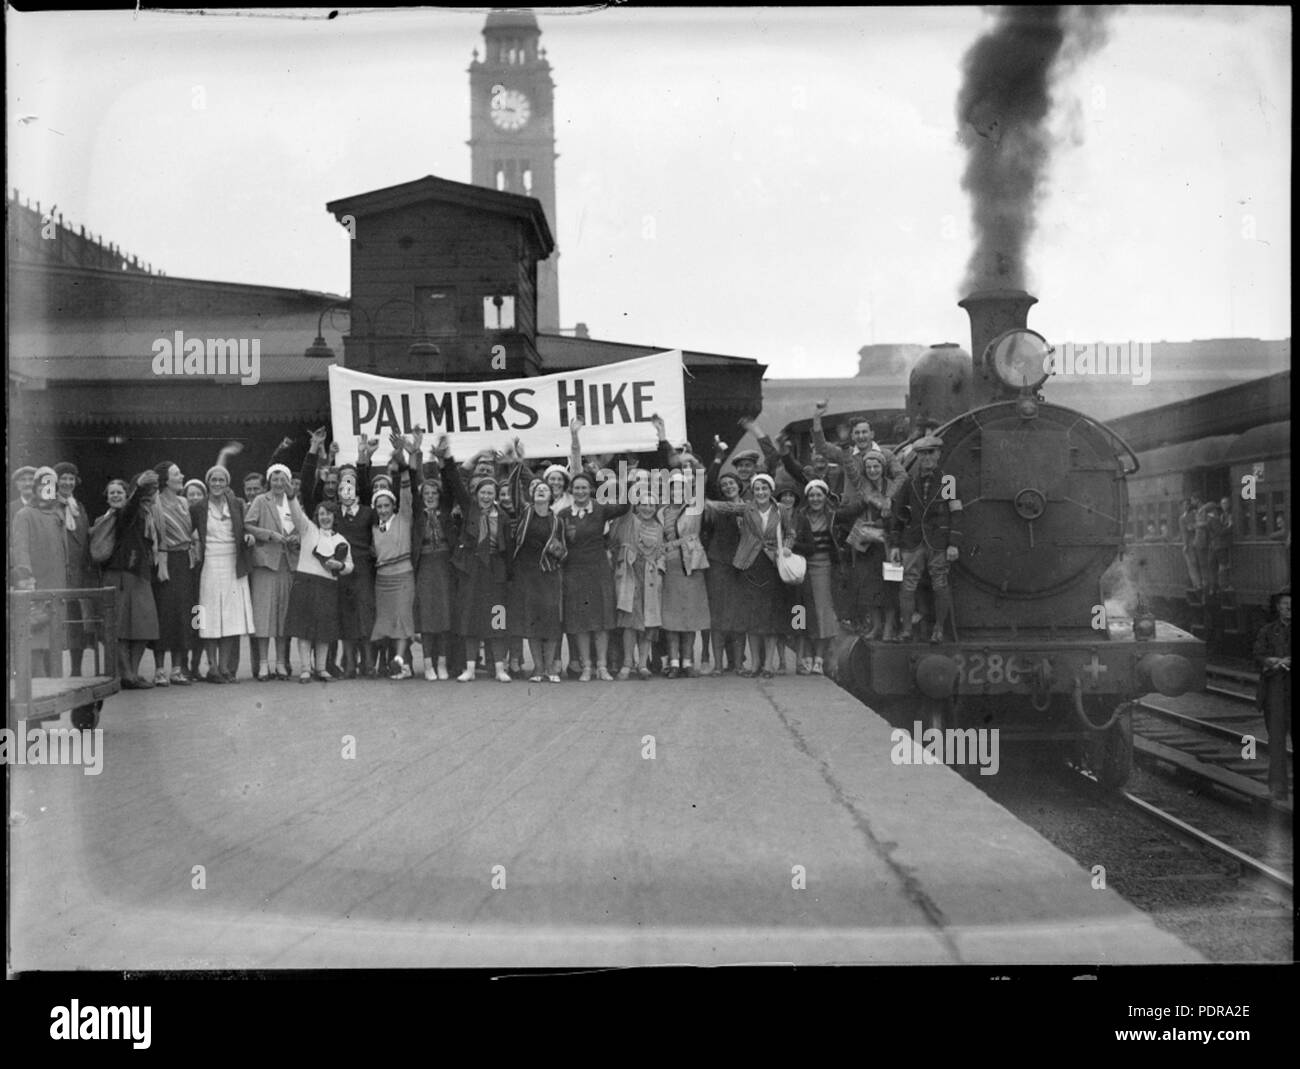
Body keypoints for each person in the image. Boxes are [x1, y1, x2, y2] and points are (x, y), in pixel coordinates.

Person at [439, 440, 514, 683]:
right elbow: (455, 481)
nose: (486, 496)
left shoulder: (502, 516)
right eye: (482, 492)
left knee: (497, 619)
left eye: (490, 493)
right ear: (477, 494)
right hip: (471, 571)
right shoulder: (470, 508)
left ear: (495, 495)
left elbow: (509, 549)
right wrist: (449, 457)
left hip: (495, 573)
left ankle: (500, 668)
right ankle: (469, 669)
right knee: (470, 619)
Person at [556, 453, 628, 681]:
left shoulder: (600, 509)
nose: (580, 492)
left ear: (590, 489)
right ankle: (587, 666)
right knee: (581, 621)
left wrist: (603, 478)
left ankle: (603, 666)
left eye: (584, 488)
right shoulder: (563, 515)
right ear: (571, 490)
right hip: (574, 571)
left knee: (601, 621)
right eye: (576, 488)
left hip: (598, 569)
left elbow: (625, 505)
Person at [887, 435, 961, 644]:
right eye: (922, 453)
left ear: (939, 454)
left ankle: (938, 629)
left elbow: (956, 512)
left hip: (938, 542)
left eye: (931, 452)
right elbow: (898, 514)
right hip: (913, 541)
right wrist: (894, 544)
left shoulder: (948, 482)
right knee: (907, 585)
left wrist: (954, 543)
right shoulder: (910, 483)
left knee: (940, 583)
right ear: (917, 456)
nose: (927, 457)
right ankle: (907, 629)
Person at [191, 460, 256, 682]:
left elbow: (245, 527)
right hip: (209, 563)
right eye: (213, 480)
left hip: (233, 564)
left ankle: (227, 668)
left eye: (221, 480)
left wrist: (248, 537)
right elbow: (189, 532)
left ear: (227, 483)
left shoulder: (236, 503)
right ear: (208, 483)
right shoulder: (198, 507)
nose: (217, 483)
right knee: (207, 616)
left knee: (231, 617)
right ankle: (212, 667)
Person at [791, 478, 861, 674]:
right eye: (811, 495)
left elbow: (853, 512)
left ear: (825, 497)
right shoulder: (800, 516)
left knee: (823, 615)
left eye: (819, 495)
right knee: (802, 614)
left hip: (824, 568)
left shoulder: (832, 516)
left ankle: (819, 659)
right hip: (801, 567)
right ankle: (804, 656)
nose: (815, 499)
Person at [370, 432, 425, 680]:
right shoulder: (373, 528)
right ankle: (397, 661)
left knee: (403, 620)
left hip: (403, 576)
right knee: (387, 621)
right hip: (383, 580)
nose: (383, 510)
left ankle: (401, 661)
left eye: (386, 505)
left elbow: (406, 489)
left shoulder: (403, 517)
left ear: (393, 506)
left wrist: (401, 457)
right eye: (379, 506)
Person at [731, 473, 797, 679]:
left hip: (772, 564)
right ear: (752, 491)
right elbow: (722, 507)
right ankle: (754, 665)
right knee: (752, 618)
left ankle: (768, 665)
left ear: (770, 490)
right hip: (750, 563)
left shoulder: (782, 510)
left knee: (770, 618)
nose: (761, 492)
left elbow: (790, 533)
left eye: (764, 489)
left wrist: (786, 548)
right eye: (757, 489)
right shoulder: (746, 508)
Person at [99, 473, 162, 687]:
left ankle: (132, 673)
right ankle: (127, 674)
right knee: (121, 629)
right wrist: (138, 489)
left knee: (145, 627)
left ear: (125, 495)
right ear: (107, 497)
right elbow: (132, 506)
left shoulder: (144, 515)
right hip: (120, 575)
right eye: (112, 493)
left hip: (139, 575)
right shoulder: (119, 515)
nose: (115, 496)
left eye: (119, 492)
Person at [284, 494, 354, 683]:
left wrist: (339, 567)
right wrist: (291, 496)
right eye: (321, 514)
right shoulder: (308, 530)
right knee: (304, 630)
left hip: (327, 587)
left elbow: (349, 565)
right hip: (305, 583)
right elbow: (297, 513)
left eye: (329, 514)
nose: (325, 517)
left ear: (334, 517)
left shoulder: (341, 539)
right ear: (316, 516)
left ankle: (322, 669)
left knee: (324, 631)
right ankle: (306, 669)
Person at [10, 467, 70, 679]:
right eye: (42, 485)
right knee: (35, 643)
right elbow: (21, 550)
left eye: (51, 486)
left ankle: (52, 698)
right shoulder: (24, 515)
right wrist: (27, 581)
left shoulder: (57, 515)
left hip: (57, 590)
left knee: (54, 645)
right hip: (37, 590)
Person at [244, 462, 301, 680]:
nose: (279, 484)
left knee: (282, 615)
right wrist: (269, 534)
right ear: (269, 481)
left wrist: (297, 537)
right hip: (267, 564)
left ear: (288, 481)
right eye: (275, 480)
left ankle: (280, 663)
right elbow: (248, 525)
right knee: (264, 615)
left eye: (283, 480)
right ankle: (263, 664)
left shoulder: (294, 502)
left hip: (287, 564)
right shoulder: (261, 500)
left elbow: (303, 526)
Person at [509, 478, 568, 683]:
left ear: (551, 496)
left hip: (549, 574)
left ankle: (551, 667)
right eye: (537, 489)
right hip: (527, 574)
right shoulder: (525, 513)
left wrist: (557, 551)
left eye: (545, 489)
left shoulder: (557, 521)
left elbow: (564, 550)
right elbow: (513, 488)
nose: (541, 491)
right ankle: (538, 668)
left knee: (551, 620)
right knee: (532, 619)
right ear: (532, 495)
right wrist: (516, 462)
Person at [149, 460, 199, 686]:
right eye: (177, 474)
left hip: (184, 562)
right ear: (165, 480)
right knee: (163, 614)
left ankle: (177, 669)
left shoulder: (183, 502)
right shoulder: (154, 503)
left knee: (182, 614)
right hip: (163, 561)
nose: (181, 477)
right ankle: (160, 670)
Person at [609, 486, 667, 680]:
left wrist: (659, 572)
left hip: (650, 578)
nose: (647, 508)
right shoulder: (628, 521)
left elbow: (661, 553)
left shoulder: (659, 527)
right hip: (630, 575)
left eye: (651, 504)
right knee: (629, 622)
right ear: (636, 504)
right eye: (643, 503)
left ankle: (642, 663)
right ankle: (627, 663)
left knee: (648, 624)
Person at [844, 450, 897, 640]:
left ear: (883, 468)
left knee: (889, 588)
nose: (873, 470)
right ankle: (876, 626)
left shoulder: (892, 488)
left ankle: (889, 628)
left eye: (876, 466)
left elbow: (899, 516)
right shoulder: (861, 489)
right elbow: (849, 510)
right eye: (869, 467)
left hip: (888, 544)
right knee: (870, 589)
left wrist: (886, 520)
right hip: (867, 545)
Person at [413, 462, 455, 681]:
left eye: (434, 493)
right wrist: (411, 460)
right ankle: (428, 663)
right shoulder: (417, 516)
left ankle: (442, 663)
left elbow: (452, 485)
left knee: (445, 618)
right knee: (427, 620)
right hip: (425, 569)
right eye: (426, 493)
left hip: (445, 569)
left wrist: (444, 463)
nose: (430, 496)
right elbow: (410, 485)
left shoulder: (446, 514)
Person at [703, 470, 748, 673]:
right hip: (719, 563)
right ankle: (719, 664)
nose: (728, 487)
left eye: (731, 483)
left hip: (742, 564)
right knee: (719, 615)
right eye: (724, 485)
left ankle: (737, 663)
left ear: (739, 484)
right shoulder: (715, 510)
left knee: (739, 614)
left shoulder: (750, 506)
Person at [53, 461, 93, 678]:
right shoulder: (50, 505)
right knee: (55, 621)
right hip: (57, 572)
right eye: (63, 478)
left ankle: (76, 669)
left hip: (77, 574)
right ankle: (53, 671)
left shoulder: (79, 507)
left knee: (76, 621)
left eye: (71, 478)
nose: (67, 482)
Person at [1253, 588, 1291, 800]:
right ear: (1278, 607)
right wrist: (1275, 662)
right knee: (1276, 741)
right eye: (1285, 605)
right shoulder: (1267, 631)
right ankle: (1278, 788)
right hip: (1274, 692)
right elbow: (1258, 655)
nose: (1289, 609)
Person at [1210, 496, 1234, 592]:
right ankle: (1223, 585)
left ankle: (1222, 585)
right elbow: (1222, 530)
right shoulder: (1219, 517)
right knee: (1223, 565)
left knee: (1225, 565)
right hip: (1221, 544)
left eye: (1226, 503)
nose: (1224, 505)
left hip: (1226, 543)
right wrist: (1229, 526)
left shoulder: (1231, 514)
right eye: (1222, 503)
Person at [1179, 497, 1202, 591]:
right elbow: (1183, 532)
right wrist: (1185, 544)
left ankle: (1199, 583)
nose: (1186, 507)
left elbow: (1196, 526)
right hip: (1188, 543)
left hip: (1194, 541)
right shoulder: (1181, 518)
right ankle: (1196, 583)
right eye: (1184, 505)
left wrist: (1193, 527)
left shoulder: (1194, 514)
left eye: (1187, 504)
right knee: (1191, 565)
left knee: (1196, 563)